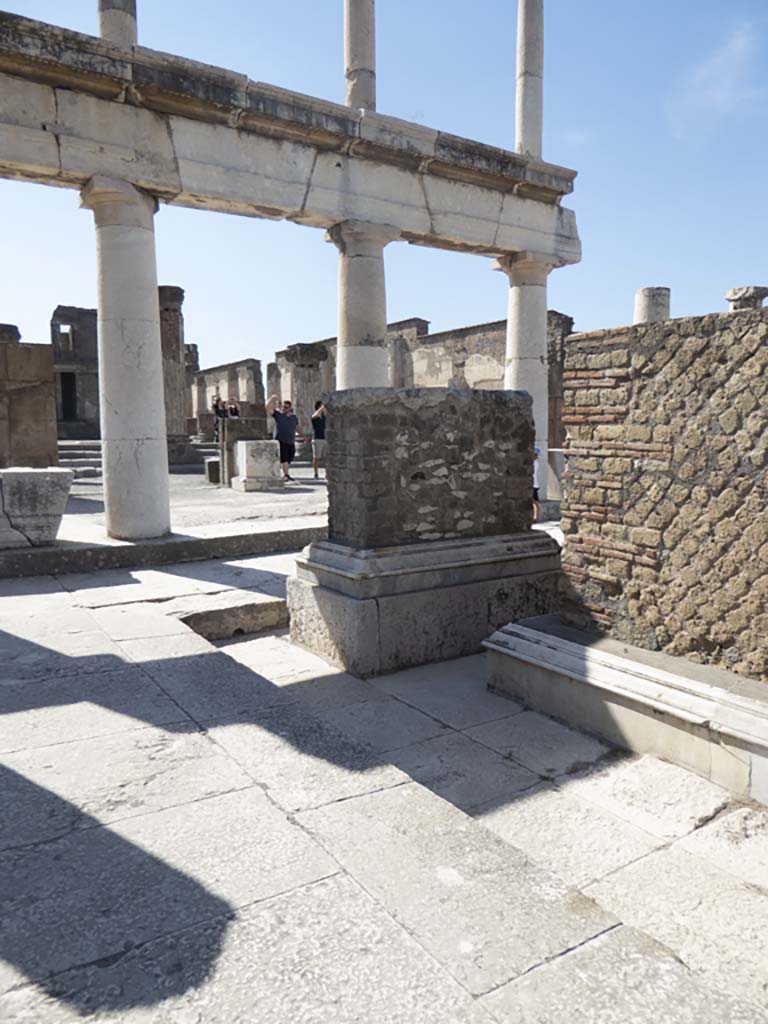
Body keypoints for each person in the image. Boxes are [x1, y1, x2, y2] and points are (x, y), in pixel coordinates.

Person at [266, 394, 304, 481]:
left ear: (290, 408)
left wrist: (303, 436)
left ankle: (284, 473)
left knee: (289, 457)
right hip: (281, 440)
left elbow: (297, 427)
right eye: (283, 407)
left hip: (290, 441)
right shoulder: (278, 415)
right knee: (285, 459)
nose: (284, 408)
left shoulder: (294, 417)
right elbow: (267, 408)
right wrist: (271, 399)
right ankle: (286, 474)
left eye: (286, 407)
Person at [311, 400, 327, 479]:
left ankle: (327, 473)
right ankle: (315, 472)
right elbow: (314, 416)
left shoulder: (324, 417)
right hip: (316, 438)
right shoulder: (315, 416)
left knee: (326, 457)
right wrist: (321, 408)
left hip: (324, 438)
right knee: (316, 457)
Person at [532, 447, 541, 523]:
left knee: (535, 501)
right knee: (535, 501)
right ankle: (536, 516)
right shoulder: (536, 462)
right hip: (535, 484)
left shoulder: (535, 463)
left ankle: (536, 516)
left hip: (534, 484)